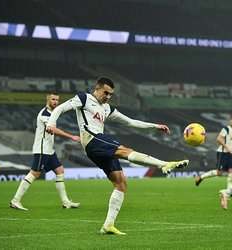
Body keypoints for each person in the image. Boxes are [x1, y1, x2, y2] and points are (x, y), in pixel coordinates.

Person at [45, 76, 189, 235]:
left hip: (97, 147)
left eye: (111, 94)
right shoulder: (84, 98)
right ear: (97, 88)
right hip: (92, 140)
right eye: (105, 92)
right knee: (124, 150)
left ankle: (108, 225)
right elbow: (60, 108)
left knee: (121, 182)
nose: (107, 96)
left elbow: (130, 122)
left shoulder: (107, 108)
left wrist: (154, 126)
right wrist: (51, 123)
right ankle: (163, 164)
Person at [10, 92, 81, 211]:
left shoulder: (52, 114)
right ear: (47, 100)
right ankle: (15, 201)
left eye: (57, 100)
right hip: (42, 149)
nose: (56, 102)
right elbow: (52, 129)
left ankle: (66, 202)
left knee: (59, 170)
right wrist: (72, 137)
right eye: (53, 99)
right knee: (35, 173)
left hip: (49, 150)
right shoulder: (44, 114)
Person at [195, 115, 232, 192]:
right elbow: (219, 139)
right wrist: (226, 147)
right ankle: (201, 177)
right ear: (230, 121)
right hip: (223, 153)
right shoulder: (226, 129)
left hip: (230, 153)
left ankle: (229, 191)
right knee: (219, 173)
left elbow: (230, 141)